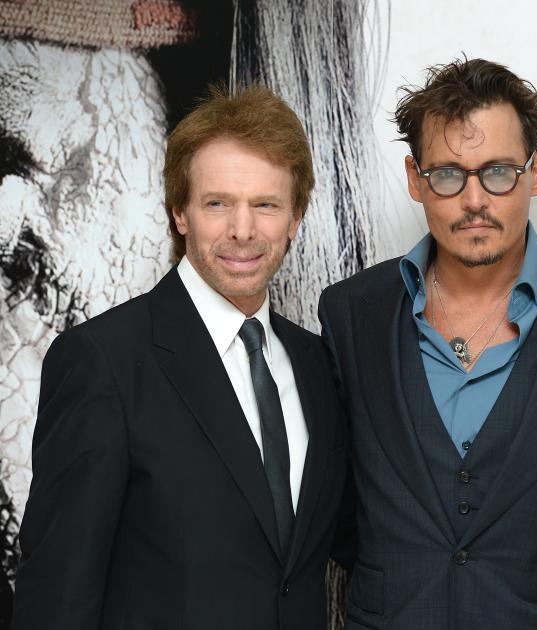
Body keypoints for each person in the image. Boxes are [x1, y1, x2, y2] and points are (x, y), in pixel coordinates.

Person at [12, 85, 353, 630]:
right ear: (180, 213)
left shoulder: (316, 364)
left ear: (295, 218)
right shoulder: (103, 361)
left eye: (266, 204)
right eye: (218, 203)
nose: (243, 230)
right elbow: (57, 594)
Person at [319, 57, 537, 629]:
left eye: (499, 172)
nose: (475, 199)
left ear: (536, 173)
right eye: (448, 175)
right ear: (416, 179)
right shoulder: (350, 314)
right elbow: (337, 512)